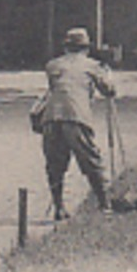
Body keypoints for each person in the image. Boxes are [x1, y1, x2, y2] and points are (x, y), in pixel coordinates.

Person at [40, 26, 116, 218]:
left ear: (66, 47)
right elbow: (108, 91)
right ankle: (105, 206)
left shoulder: (52, 65)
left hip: (51, 118)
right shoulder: (93, 66)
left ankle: (58, 208)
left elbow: (56, 88)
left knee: (55, 164)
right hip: (77, 117)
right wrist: (107, 76)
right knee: (91, 160)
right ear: (86, 48)